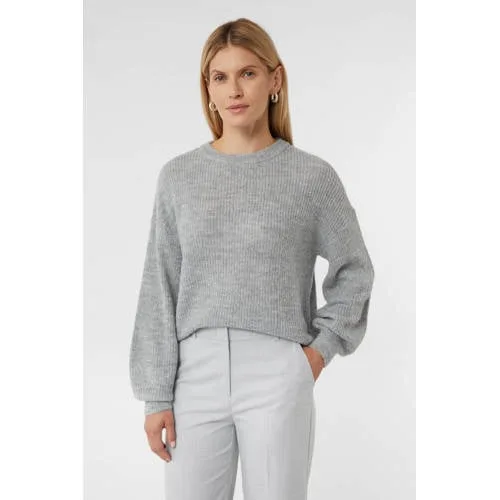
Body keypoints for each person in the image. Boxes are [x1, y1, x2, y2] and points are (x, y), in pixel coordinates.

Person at [129, 17, 375, 500]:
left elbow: (355, 270)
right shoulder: (179, 177)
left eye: (248, 73)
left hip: (278, 370)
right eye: (219, 77)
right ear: (208, 89)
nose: (234, 90)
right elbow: (160, 285)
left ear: (274, 79)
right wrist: (155, 395)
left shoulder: (310, 177)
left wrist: (316, 355)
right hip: (193, 374)